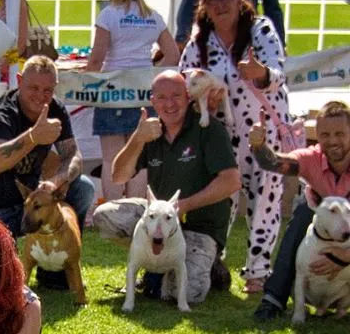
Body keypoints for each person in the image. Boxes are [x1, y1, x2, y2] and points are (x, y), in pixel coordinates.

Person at [179, 0, 290, 293]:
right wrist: (199, 89)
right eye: (211, 0)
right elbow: (183, 75)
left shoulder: (261, 30)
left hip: (263, 129)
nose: (219, 4)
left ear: (241, 0)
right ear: (205, 8)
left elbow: (279, 72)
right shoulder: (201, 39)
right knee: (222, 198)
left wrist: (261, 73)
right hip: (224, 135)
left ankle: (258, 271)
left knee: (266, 197)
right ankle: (215, 262)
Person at [97, 70, 242, 304]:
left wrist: (183, 206)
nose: (169, 104)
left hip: (200, 226)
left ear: (188, 97)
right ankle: (156, 265)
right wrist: (137, 138)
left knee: (186, 294)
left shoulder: (208, 128)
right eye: (161, 98)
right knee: (105, 217)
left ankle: (210, 264)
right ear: (152, 101)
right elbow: (118, 176)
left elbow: (232, 180)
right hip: (158, 219)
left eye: (176, 96)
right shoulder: (150, 131)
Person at [252, 102, 350, 322]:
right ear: (317, 135)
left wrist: (348, 255)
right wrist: (258, 145)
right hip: (325, 231)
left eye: (339, 134)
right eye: (325, 134)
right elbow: (274, 163)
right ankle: (273, 298)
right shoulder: (311, 158)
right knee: (304, 212)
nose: (332, 141)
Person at [0, 56, 96, 239]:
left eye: (47, 90)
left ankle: (61, 257)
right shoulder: (2, 115)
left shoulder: (54, 108)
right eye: (34, 88)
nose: (40, 96)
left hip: (25, 206)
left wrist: (56, 181)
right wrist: (33, 137)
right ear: (19, 81)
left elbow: (73, 155)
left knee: (83, 188)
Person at [84, 0, 181, 203]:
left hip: (112, 91)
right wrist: (151, 74)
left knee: (111, 157)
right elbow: (173, 55)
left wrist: (84, 82)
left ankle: (115, 210)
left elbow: (97, 58)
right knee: (140, 156)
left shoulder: (109, 15)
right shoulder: (153, 16)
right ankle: (137, 207)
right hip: (143, 91)